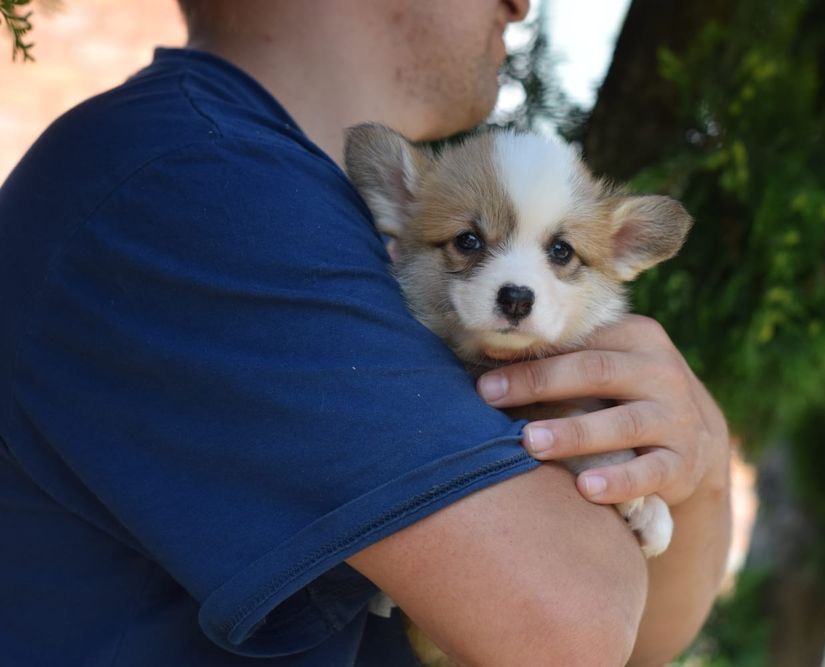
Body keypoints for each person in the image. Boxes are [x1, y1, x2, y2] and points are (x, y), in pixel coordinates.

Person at [0, 1, 732, 664]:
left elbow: (648, 639)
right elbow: (573, 627)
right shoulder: (200, 186)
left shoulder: (303, 205)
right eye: (471, 244)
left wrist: (697, 460)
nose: (523, 3)